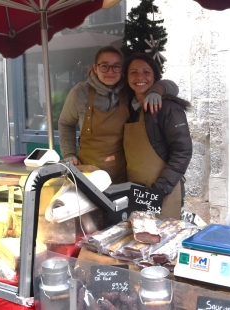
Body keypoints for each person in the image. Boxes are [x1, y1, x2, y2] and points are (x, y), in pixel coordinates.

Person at [58, 46, 179, 184]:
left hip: (123, 175)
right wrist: (68, 154)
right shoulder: (80, 93)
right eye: (104, 66)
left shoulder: (129, 89)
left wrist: (157, 90)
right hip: (87, 175)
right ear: (95, 68)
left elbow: (173, 87)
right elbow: (65, 123)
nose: (110, 71)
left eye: (116, 66)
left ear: (122, 70)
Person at [123, 53, 193, 220]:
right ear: (126, 78)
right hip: (136, 190)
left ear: (155, 77)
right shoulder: (131, 109)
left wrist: (160, 189)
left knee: (163, 239)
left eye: (146, 72)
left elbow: (182, 151)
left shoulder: (167, 107)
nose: (140, 77)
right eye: (133, 72)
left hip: (163, 191)